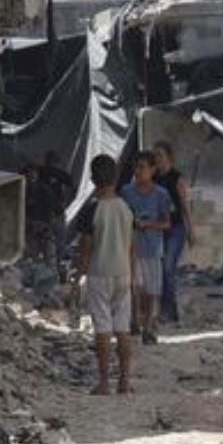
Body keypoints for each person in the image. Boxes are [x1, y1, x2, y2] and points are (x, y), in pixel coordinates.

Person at [74, 154, 136, 395]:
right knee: (122, 327)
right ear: (116, 177)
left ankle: (103, 382)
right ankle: (124, 380)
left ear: (92, 178)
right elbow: (132, 246)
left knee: (102, 327)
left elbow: (86, 248)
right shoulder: (126, 208)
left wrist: (77, 274)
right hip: (123, 272)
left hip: (99, 273)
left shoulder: (92, 211)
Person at [120, 152, 173, 346]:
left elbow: (167, 223)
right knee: (134, 288)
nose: (138, 171)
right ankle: (134, 320)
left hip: (152, 247)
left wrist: (149, 224)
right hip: (131, 247)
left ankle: (148, 327)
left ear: (152, 169)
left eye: (142, 167)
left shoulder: (161, 194)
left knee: (152, 290)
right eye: (136, 167)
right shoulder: (126, 192)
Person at [151, 141, 195, 324]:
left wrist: (191, 230)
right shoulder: (152, 179)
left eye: (160, 155)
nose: (157, 159)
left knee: (168, 267)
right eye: (155, 155)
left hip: (176, 228)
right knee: (160, 270)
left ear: (169, 157)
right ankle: (166, 310)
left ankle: (170, 311)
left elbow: (185, 206)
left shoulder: (176, 178)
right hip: (159, 228)